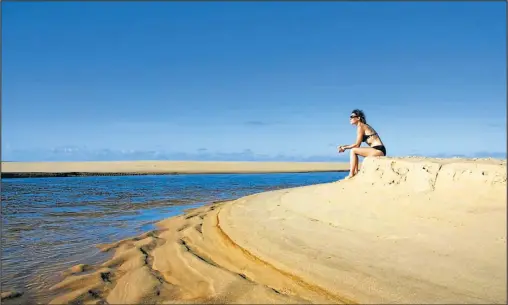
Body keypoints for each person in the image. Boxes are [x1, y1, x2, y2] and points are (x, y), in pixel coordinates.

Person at [338, 109, 386, 179]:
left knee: (353, 150)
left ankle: (351, 174)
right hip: (378, 149)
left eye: (352, 116)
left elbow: (357, 145)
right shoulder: (361, 126)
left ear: (358, 118)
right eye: (350, 117)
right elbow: (357, 145)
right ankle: (356, 172)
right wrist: (344, 146)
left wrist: (344, 148)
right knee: (355, 151)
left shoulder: (361, 126)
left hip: (379, 150)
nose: (350, 118)